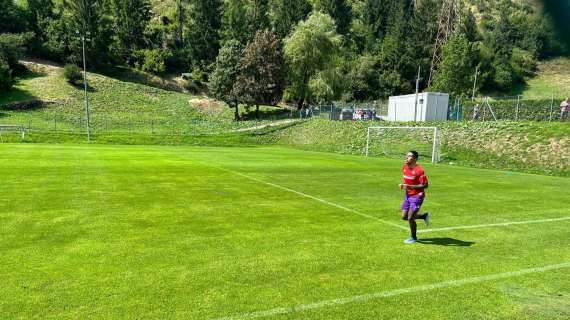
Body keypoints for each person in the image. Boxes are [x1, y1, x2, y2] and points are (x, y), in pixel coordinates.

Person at [399, 150, 431, 244]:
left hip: (417, 196)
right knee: (404, 217)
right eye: (407, 155)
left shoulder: (419, 171)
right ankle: (424, 216)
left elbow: (425, 185)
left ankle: (413, 237)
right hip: (408, 195)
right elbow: (408, 181)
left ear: (415, 159)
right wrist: (404, 185)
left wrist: (409, 187)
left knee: (410, 218)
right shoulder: (404, 167)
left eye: (409, 156)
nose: (407, 157)